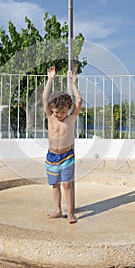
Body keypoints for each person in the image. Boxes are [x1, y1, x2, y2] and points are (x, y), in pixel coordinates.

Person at [42, 66, 82, 224]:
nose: (60, 115)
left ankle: (70, 213)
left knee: (67, 185)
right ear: (52, 110)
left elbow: (79, 101)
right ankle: (58, 210)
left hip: (67, 156)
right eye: (57, 112)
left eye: (63, 112)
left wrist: (72, 83)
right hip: (52, 156)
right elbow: (44, 98)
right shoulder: (50, 117)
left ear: (68, 109)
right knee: (55, 185)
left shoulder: (70, 119)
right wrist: (50, 79)